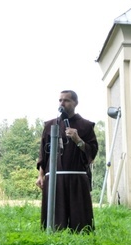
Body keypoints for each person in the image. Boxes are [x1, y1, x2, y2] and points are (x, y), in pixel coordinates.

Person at [36, 90, 98, 232]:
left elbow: (92, 153)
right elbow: (43, 154)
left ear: (75, 103)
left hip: (77, 178)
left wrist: (78, 140)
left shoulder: (86, 126)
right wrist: (40, 175)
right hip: (54, 179)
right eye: (60, 100)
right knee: (55, 220)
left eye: (66, 100)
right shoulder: (50, 126)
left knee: (80, 219)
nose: (62, 103)